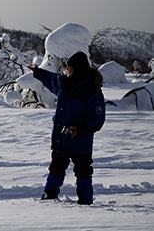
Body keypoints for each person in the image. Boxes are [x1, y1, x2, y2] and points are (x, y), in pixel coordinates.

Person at [28, 51, 105, 204]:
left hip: (81, 142)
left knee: (83, 172)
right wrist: (37, 71)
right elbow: (50, 79)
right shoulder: (64, 83)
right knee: (56, 168)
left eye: (69, 68)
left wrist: (79, 129)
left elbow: (97, 120)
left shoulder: (92, 90)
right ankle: (49, 197)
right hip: (61, 139)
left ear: (77, 68)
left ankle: (86, 201)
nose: (67, 70)